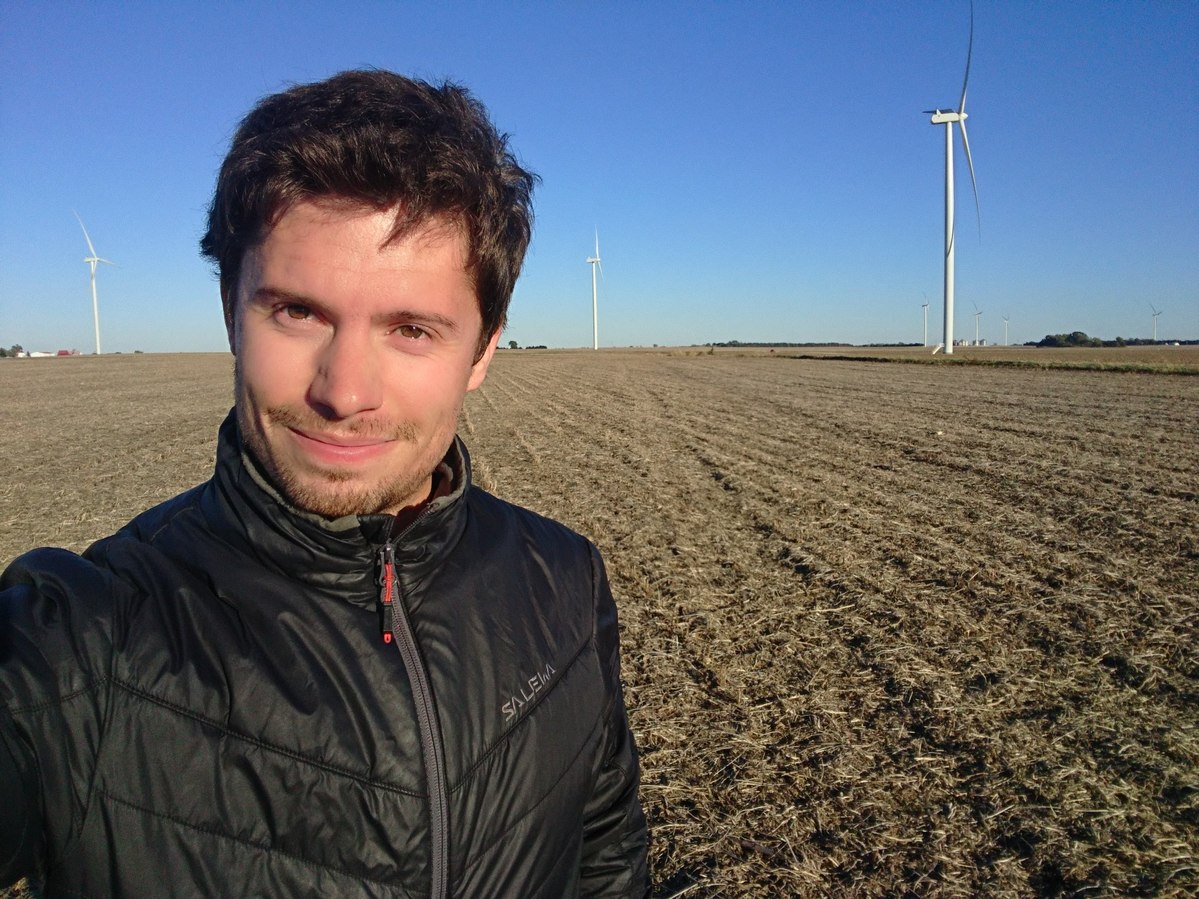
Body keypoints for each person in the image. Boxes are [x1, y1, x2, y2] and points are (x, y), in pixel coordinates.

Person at [0, 70, 648, 897]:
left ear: (482, 351)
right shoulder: (86, 642)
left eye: (411, 329)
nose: (343, 391)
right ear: (231, 312)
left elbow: (603, 848)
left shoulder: (562, 577)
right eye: (297, 312)